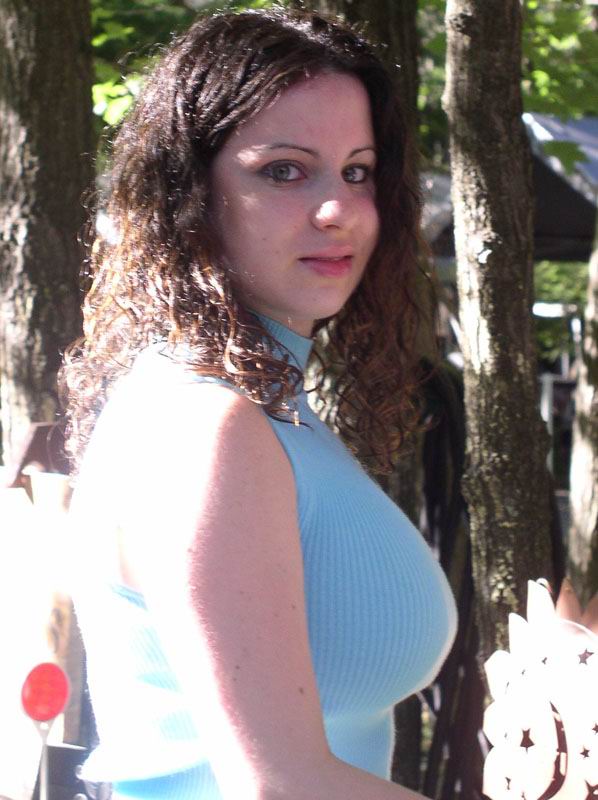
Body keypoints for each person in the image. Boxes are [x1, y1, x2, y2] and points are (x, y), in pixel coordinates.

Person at [63, 7, 457, 800]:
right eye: (284, 171)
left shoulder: (261, 406)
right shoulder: (207, 425)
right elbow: (279, 785)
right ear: (189, 194)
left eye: (357, 171)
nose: (337, 209)